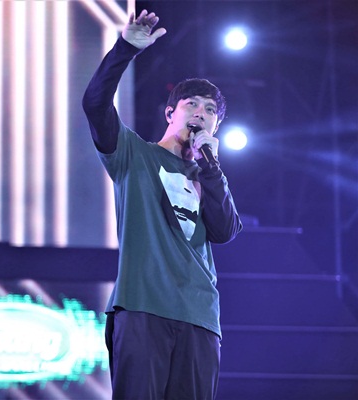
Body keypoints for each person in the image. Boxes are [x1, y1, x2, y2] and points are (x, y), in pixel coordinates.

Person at [82, 9, 243, 400]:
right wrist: (124, 49)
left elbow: (224, 231)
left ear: (216, 127)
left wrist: (210, 167)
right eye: (192, 104)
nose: (201, 113)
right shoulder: (134, 154)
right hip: (142, 307)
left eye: (210, 111)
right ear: (171, 113)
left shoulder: (210, 175)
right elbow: (95, 105)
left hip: (199, 317)